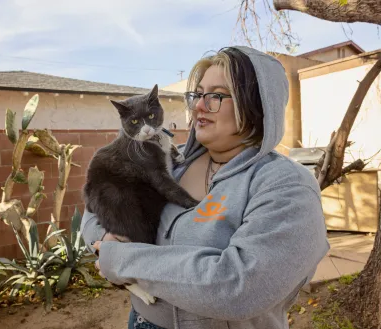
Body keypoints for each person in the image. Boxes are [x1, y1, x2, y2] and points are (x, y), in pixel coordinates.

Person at [81, 46, 330, 329]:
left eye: (216, 96)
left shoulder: (285, 185)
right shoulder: (172, 164)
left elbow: (239, 288)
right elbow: (94, 209)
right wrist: (104, 243)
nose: (199, 105)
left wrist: (123, 260)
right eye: (197, 94)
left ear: (258, 105)